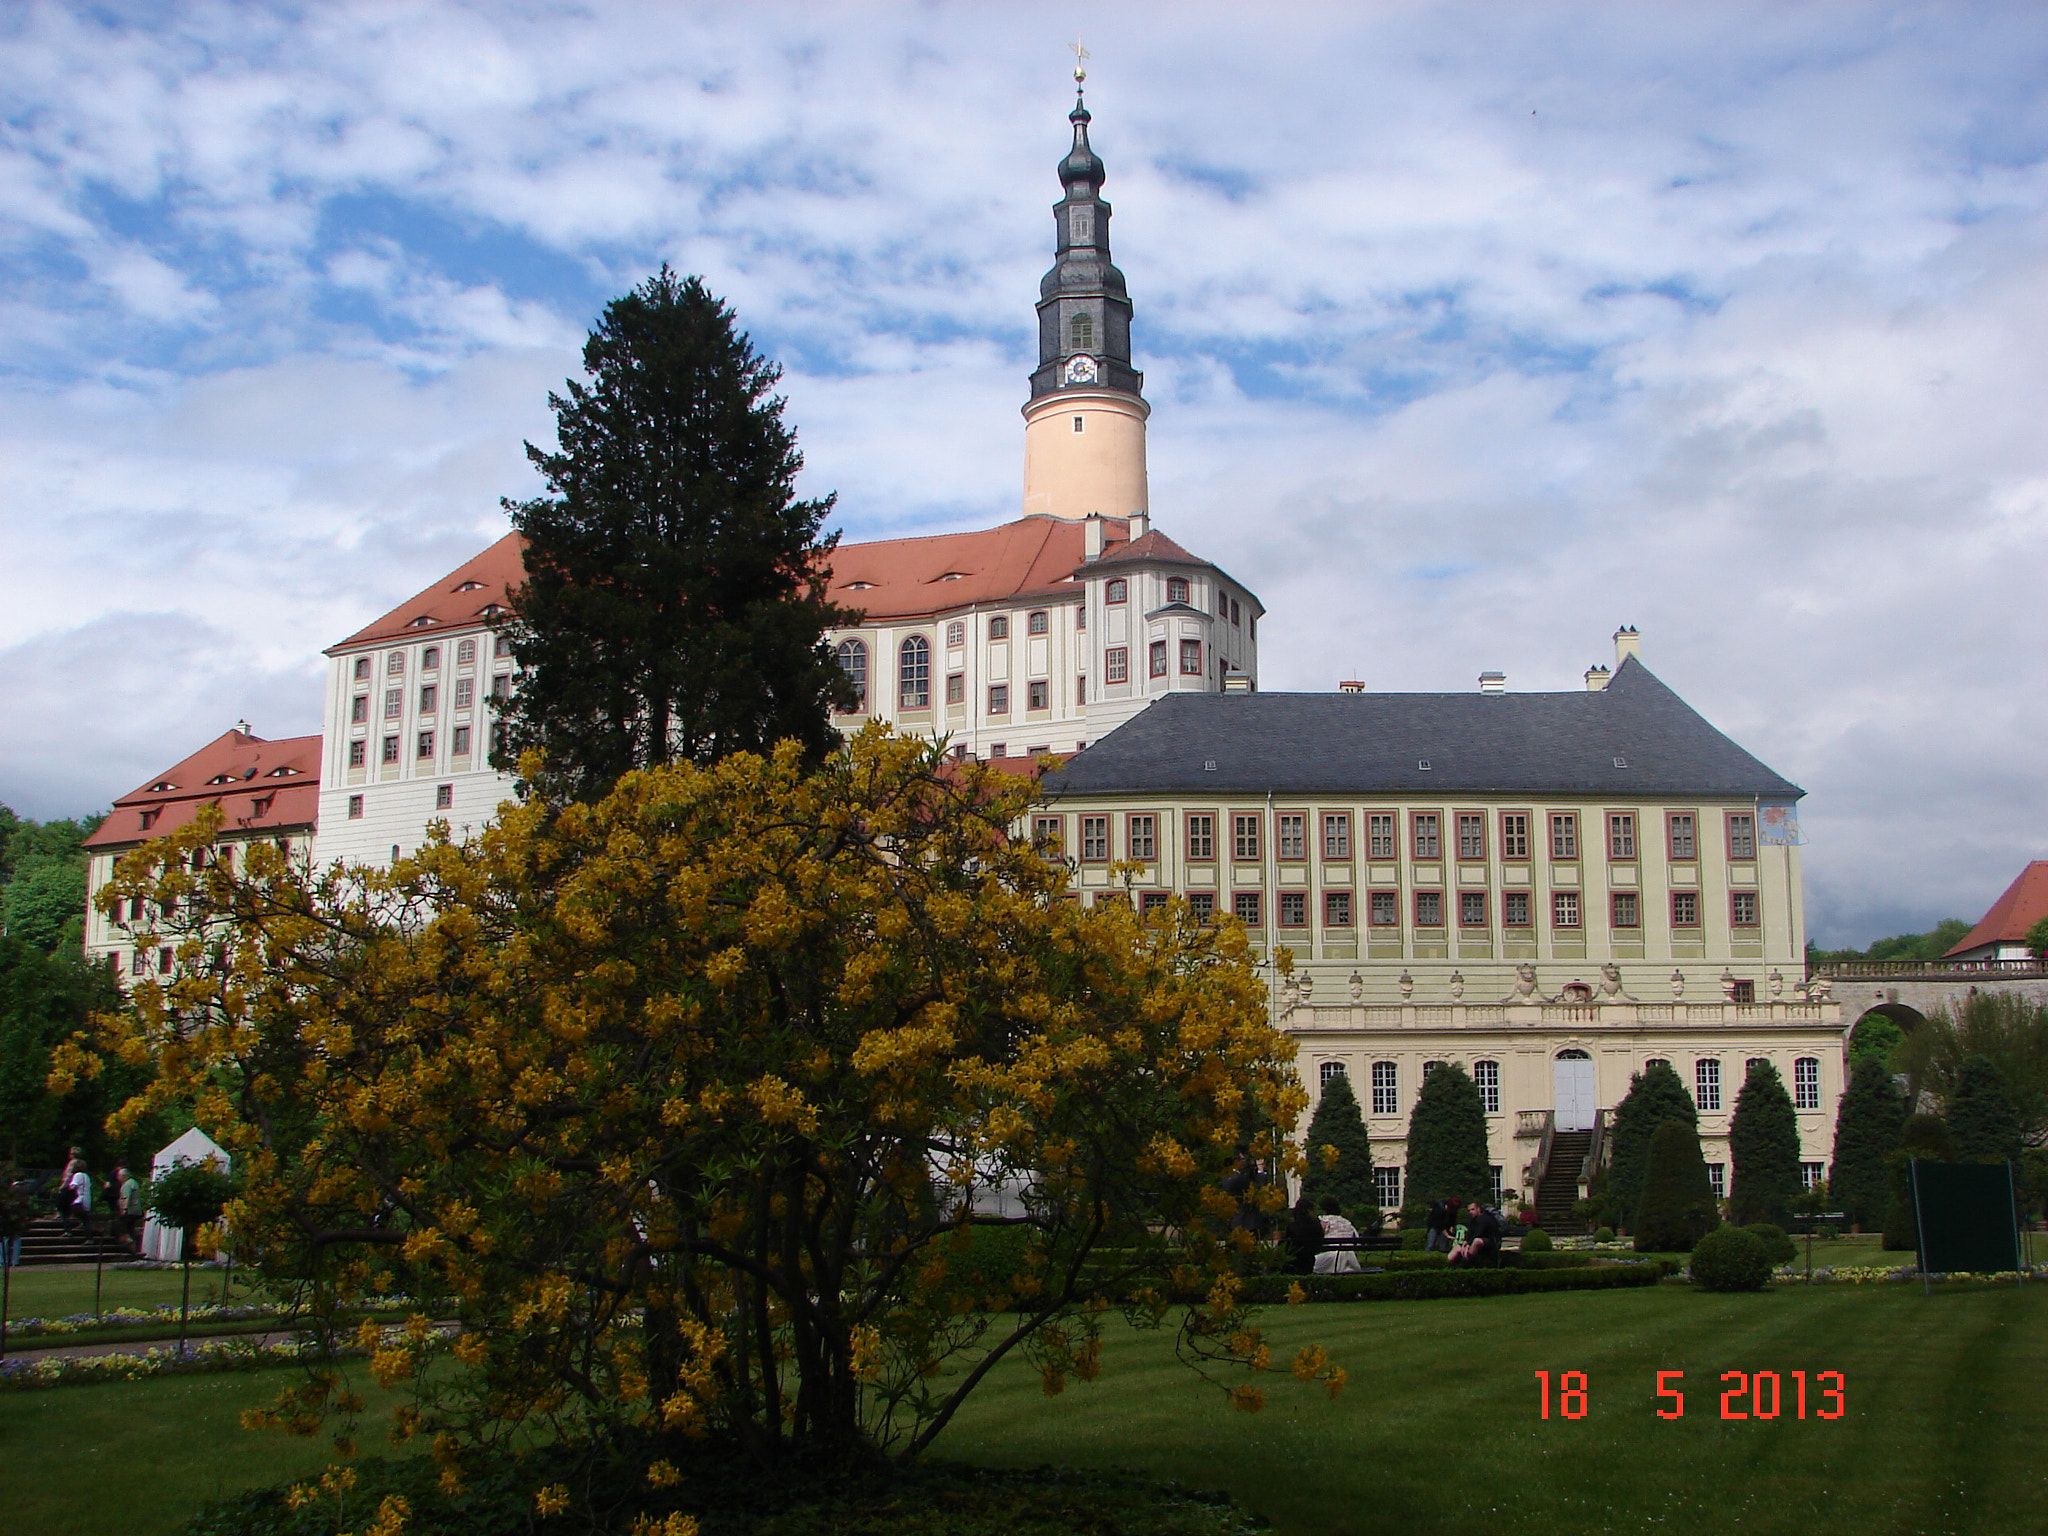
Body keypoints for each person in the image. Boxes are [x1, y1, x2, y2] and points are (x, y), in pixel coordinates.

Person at [1312, 1196, 1363, 1275]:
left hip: (1331, 1257)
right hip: (1350, 1257)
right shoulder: (1347, 1222)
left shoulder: (1324, 1221)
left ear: (1323, 1209)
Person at [1449, 1199, 1504, 1268]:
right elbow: (1469, 1233)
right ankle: (1447, 1265)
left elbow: (1478, 1233)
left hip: (1490, 1243)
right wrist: (1465, 1243)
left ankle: (1466, 1264)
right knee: (1457, 1247)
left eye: (1472, 1209)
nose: (1470, 1212)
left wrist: (1468, 1245)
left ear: (1478, 1209)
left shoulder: (1484, 1218)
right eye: (1469, 1210)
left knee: (1476, 1241)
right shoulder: (1473, 1220)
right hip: (1477, 1241)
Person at [1283, 1195, 1324, 1274]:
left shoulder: (1292, 1226)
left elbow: (1285, 1245)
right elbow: (1319, 1244)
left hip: (1293, 1261)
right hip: (1308, 1261)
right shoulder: (1315, 1225)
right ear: (1309, 1210)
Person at [116, 1166, 144, 1250]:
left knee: (122, 1225)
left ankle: (128, 1240)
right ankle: (134, 1246)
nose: (118, 1178)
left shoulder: (127, 1185)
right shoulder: (134, 1182)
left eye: (119, 1176)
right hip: (137, 1210)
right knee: (131, 1228)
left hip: (130, 1210)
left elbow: (126, 1197)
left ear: (124, 1176)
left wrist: (123, 1209)